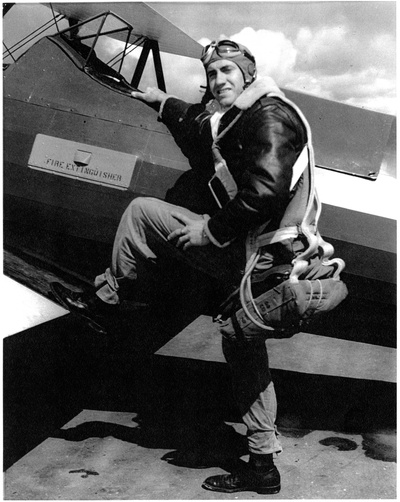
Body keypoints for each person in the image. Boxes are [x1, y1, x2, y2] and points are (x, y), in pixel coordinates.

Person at [50, 39, 308, 494]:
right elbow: (199, 126)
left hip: (253, 255)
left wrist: (211, 231)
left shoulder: (269, 115)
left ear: (248, 74)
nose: (218, 80)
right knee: (243, 347)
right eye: (212, 74)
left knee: (142, 213)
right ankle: (263, 465)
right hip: (266, 261)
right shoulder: (243, 115)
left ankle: (107, 299)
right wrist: (161, 102)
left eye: (228, 70)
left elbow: (265, 191)